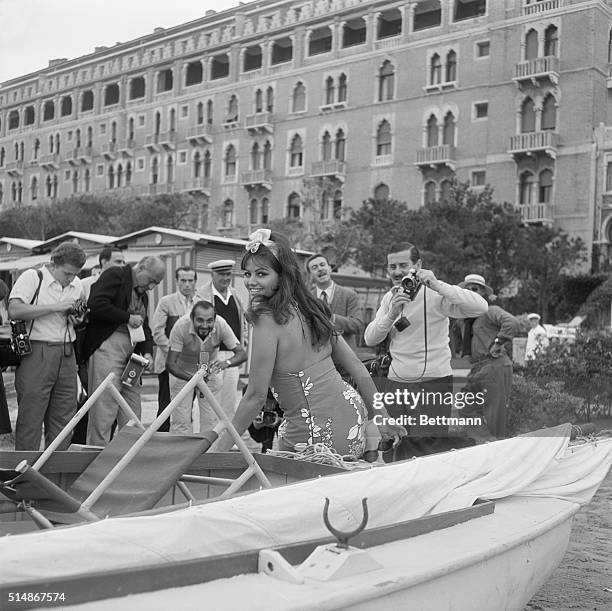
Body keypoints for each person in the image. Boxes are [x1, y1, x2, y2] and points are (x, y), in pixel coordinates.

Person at [213, 229, 405, 457]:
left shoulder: (267, 318)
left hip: (316, 434)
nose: (251, 282)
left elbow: (255, 396)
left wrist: (217, 452)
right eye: (246, 274)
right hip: (352, 418)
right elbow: (355, 365)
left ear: (282, 276)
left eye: (261, 274)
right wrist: (381, 415)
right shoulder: (311, 307)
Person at [364, 243, 488, 460]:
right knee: (394, 446)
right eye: (392, 266)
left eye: (403, 265)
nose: (397, 271)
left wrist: (438, 284)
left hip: (432, 382)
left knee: (426, 453)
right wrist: (392, 313)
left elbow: (480, 307)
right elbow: (370, 337)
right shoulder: (389, 297)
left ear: (418, 265)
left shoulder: (435, 294)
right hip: (396, 382)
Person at [8, 242, 87, 450]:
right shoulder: (33, 277)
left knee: (64, 417)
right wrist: (54, 307)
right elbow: (14, 310)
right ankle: (24, 477)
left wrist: (77, 318)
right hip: (37, 349)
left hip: (67, 350)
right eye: (67, 273)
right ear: (53, 263)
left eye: (74, 274)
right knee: (31, 416)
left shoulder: (77, 284)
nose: (70, 278)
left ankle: (54, 476)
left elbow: (78, 310)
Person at [82, 256, 165, 446]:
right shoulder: (116, 275)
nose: (151, 287)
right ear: (141, 267)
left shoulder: (143, 293)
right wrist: (126, 317)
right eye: (151, 280)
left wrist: (147, 352)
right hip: (109, 347)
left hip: (134, 355)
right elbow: (95, 304)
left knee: (132, 408)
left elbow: (144, 326)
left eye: (156, 283)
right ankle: (96, 455)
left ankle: (129, 456)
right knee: (104, 407)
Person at [165, 300, 247, 434]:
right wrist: (194, 380)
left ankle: (208, 453)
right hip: (182, 372)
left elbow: (242, 354)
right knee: (181, 420)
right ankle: (181, 454)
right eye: (200, 320)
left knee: (211, 420)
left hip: (209, 372)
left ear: (215, 319)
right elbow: (170, 364)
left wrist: (225, 363)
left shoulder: (221, 324)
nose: (204, 325)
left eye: (209, 321)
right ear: (192, 318)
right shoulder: (181, 326)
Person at [457, 274, 520, 439]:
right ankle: (486, 442)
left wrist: (499, 342)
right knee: (465, 409)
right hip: (478, 368)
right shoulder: (466, 319)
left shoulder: (489, 311)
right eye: (467, 289)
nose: (471, 291)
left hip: (495, 365)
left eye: (475, 289)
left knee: (494, 417)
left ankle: (495, 449)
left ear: (483, 292)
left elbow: (511, 322)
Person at [195, 260, 248, 421]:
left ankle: (226, 441)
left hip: (232, 356)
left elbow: (243, 323)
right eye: (221, 274)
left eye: (228, 274)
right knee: (210, 400)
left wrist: (243, 340)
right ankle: (208, 440)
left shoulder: (236, 296)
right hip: (212, 355)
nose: (225, 278)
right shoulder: (201, 296)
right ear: (212, 275)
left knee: (229, 401)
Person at [151, 266, 197, 431]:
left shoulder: (201, 303)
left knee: (187, 407)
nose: (186, 284)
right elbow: (157, 332)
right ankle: (159, 441)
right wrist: (174, 354)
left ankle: (182, 439)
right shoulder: (166, 302)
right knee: (166, 406)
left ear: (195, 282)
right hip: (168, 364)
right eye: (183, 280)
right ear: (177, 281)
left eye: (190, 280)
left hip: (191, 365)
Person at [305, 253, 364, 351]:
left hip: (346, 359)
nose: (320, 269)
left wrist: (332, 318)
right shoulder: (307, 299)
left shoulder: (350, 295)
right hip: (318, 357)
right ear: (310, 274)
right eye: (314, 267)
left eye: (322, 265)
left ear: (330, 268)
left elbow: (358, 326)